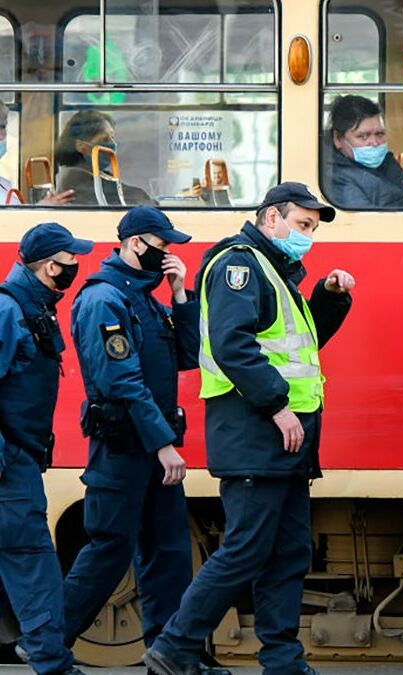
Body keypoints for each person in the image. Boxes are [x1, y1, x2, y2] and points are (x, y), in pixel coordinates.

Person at [145, 182, 354, 675]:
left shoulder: (276, 272)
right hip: (257, 432)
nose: (307, 236)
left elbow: (303, 343)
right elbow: (232, 346)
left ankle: (282, 659)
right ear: (270, 217)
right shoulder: (240, 265)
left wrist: (327, 297)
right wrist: (277, 407)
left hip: (285, 441)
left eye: (312, 228)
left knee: (288, 553)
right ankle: (175, 647)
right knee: (245, 549)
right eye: (301, 224)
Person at [61, 207, 210, 662]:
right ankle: (47, 643)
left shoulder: (146, 298)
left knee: (168, 553)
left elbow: (188, 355)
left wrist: (181, 292)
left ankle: (171, 655)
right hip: (124, 446)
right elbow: (122, 382)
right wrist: (163, 443)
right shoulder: (104, 300)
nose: (168, 255)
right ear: (136, 243)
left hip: (150, 444)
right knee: (110, 550)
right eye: (163, 246)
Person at [0, 223, 92, 675]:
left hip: (17, 457)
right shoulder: (9, 311)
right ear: (52, 266)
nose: (77, 266)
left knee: (25, 558)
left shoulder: (30, 307)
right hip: (8, 464)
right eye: (71, 260)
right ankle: (52, 661)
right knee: (31, 559)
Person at [322, 95, 403, 208]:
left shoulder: (387, 163)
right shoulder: (335, 179)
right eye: (363, 136)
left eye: (379, 134)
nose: (375, 142)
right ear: (337, 139)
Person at [54, 110, 155, 206]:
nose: (113, 144)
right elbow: (121, 196)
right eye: (105, 139)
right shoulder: (76, 178)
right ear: (81, 146)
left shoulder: (95, 173)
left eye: (112, 138)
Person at [0, 102, 74, 206]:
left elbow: (15, 219)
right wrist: (42, 207)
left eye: (3, 127)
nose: (2, 136)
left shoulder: (4, 184)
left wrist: (43, 206)